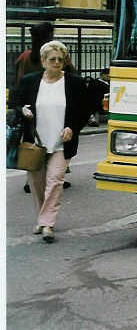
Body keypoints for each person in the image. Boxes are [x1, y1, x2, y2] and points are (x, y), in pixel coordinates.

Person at [11, 41, 90, 243]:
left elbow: (84, 111)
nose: (56, 63)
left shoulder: (74, 83)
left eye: (60, 60)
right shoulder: (30, 81)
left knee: (54, 181)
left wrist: (72, 127)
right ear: (44, 61)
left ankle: (47, 224)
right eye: (52, 59)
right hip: (35, 143)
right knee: (36, 183)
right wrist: (23, 110)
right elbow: (15, 103)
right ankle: (41, 218)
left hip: (62, 143)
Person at [15, 23, 74, 193]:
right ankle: (55, 177)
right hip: (54, 104)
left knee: (33, 143)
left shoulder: (25, 56)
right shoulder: (58, 55)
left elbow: (18, 80)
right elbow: (71, 74)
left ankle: (31, 179)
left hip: (31, 106)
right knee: (57, 144)